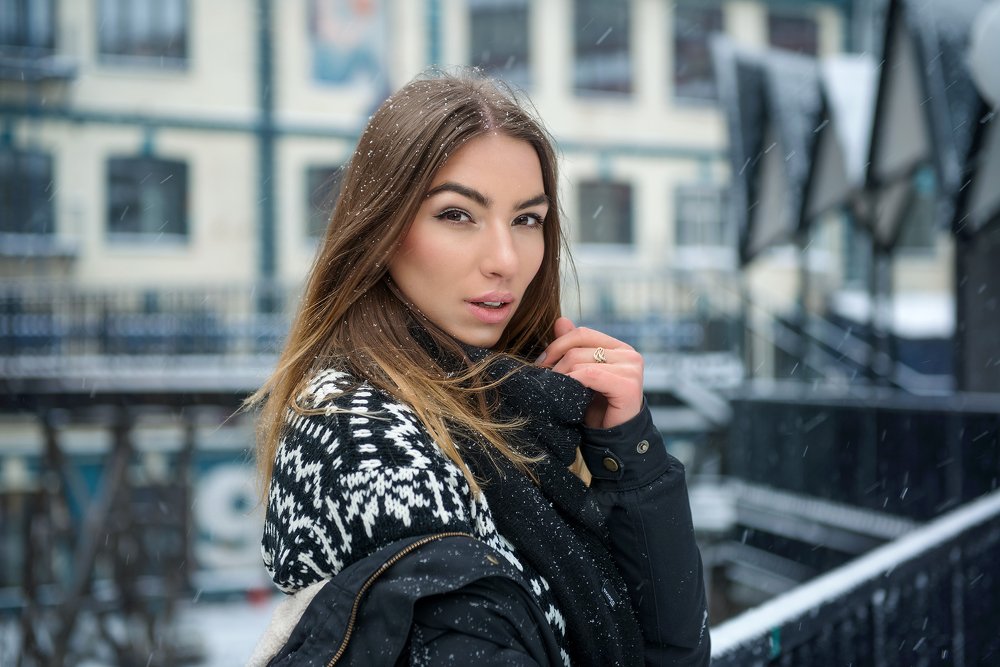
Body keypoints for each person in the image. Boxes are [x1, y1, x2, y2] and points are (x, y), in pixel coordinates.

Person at [247, 71, 710, 666]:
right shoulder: (363, 438)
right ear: (383, 228)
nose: (505, 260)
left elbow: (669, 654)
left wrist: (629, 456)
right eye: (457, 214)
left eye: (527, 219)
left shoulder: (510, 404)